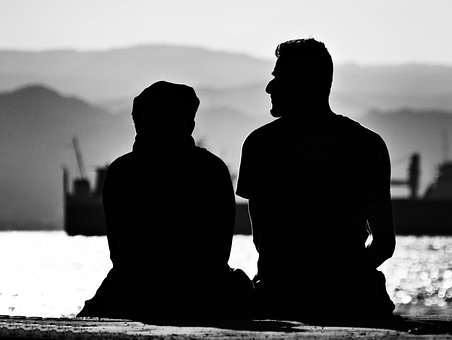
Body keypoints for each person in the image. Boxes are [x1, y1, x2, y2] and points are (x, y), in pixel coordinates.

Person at [237, 39, 395, 318]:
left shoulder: (260, 146)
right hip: (354, 297)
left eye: (279, 78)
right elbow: (384, 244)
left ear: (302, 83)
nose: (269, 87)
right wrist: (343, 277)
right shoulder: (367, 145)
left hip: (280, 295)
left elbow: (263, 240)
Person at [78, 81, 252, 321]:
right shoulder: (213, 169)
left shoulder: (122, 171)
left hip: (135, 289)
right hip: (205, 290)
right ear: (189, 124)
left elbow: (120, 254)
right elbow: (220, 252)